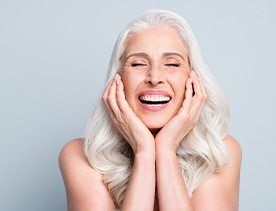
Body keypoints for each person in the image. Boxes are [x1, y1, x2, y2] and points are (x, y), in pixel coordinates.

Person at [59, 9, 242, 211]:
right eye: (138, 63)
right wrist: (144, 152)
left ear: (192, 79)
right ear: (118, 79)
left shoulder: (219, 152)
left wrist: (165, 148)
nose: (154, 77)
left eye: (172, 64)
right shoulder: (80, 156)